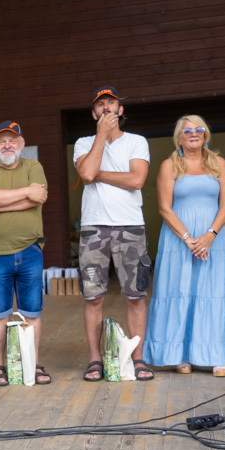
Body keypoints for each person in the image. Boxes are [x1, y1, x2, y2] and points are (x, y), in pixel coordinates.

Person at [73, 86, 154, 382]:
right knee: (93, 296)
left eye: (111, 103)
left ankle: (138, 358)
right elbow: (85, 173)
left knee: (135, 295)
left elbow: (136, 180)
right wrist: (101, 137)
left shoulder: (136, 141)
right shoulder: (84, 143)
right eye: (100, 105)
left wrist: (98, 176)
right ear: (94, 113)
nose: (106, 108)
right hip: (93, 227)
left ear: (120, 110)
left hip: (131, 226)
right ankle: (95, 359)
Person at [143, 115, 225, 376]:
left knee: (210, 294)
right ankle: (180, 356)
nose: (194, 133)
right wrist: (189, 239)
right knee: (179, 293)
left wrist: (209, 236)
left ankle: (216, 357)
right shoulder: (169, 165)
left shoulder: (219, 164)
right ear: (179, 138)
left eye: (199, 129)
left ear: (205, 134)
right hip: (178, 240)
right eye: (187, 130)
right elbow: (164, 208)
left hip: (213, 239)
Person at [0, 121, 49, 386]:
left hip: (30, 249)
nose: (7, 145)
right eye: (2, 142)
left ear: (22, 144)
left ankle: (34, 363)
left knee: (32, 312)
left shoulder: (34, 167)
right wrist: (22, 194)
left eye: (12, 140)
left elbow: (38, 198)